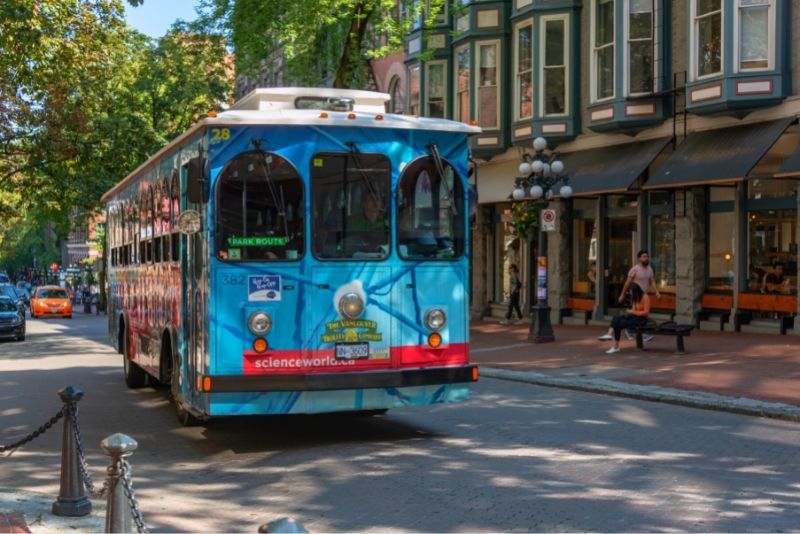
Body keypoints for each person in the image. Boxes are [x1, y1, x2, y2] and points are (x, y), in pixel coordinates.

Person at [599, 249, 659, 341]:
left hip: (644, 296)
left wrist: (656, 292)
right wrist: (622, 295)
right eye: (644, 257)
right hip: (635, 296)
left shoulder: (649, 269)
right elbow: (627, 283)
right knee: (636, 315)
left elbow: (652, 281)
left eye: (647, 256)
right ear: (639, 259)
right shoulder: (634, 270)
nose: (646, 258)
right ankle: (636, 332)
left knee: (640, 315)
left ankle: (632, 331)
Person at [602, 284, 650, 354]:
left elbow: (646, 312)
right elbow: (634, 310)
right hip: (634, 316)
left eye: (631, 292)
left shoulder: (645, 297)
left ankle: (615, 347)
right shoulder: (635, 298)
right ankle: (609, 334)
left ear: (636, 291)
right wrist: (628, 313)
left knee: (617, 324)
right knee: (616, 318)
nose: (630, 293)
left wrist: (632, 312)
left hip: (641, 319)